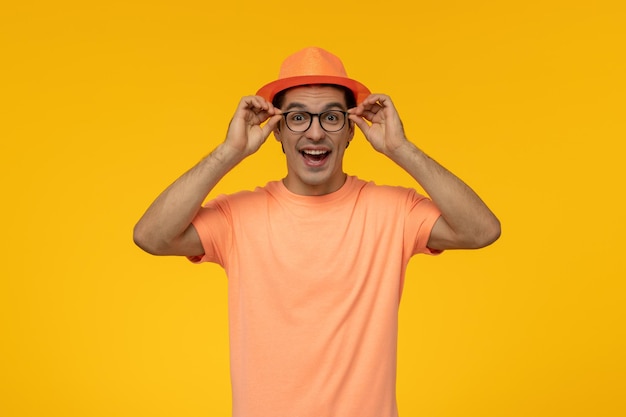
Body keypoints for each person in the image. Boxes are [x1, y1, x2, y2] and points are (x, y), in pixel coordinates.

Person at [133, 47, 500, 417]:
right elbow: (151, 236)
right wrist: (229, 152)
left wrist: (401, 149)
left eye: (330, 117)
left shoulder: (393, 211)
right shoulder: (237, 218)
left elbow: (481, 230)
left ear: (351, 130)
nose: (315, 132)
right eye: (297, 118)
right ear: (276, 130)